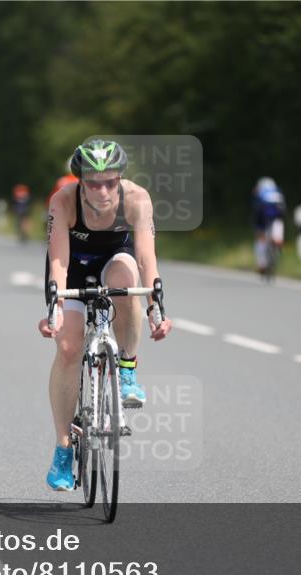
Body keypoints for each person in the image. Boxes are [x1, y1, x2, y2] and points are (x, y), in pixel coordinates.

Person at [38, 139, 173, 491]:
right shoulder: (63, 201)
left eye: (110, 181)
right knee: (68, 349)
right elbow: (58, 262)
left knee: (127, 278)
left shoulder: (137, 199)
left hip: (118, 259)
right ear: (79, 180)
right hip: (74, 268)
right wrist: (54, 309)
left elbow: (147, 258)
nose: (102, 190)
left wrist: (157, 308)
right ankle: (64, 449)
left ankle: (126, 370)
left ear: (120, 179)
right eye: (93, 182)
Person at [251, 177, 286, 276]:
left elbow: (256, 210)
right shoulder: (277, 190)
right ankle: (278, 241)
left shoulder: (260, 191)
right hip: (278, 214)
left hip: (263, 214)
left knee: (260, 237)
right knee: (278, 224)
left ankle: (261, 264)